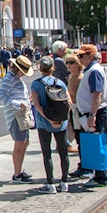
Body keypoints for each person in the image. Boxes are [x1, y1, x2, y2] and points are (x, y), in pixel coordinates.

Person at [30, 56, 70, 194]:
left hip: (44, 123)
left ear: (40, 69)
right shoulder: (60, 83)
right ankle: (64, 182)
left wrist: (49, 119)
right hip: (61, 122)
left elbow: (37, 105)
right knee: (63, 152)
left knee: (47, 153)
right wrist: (59, 119)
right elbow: (68, 102)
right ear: (53, 68)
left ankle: (50, 183)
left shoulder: (36, 84)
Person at [73, 44, 107, 187]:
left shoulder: (94, 71)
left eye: (81, 56)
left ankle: (101, 176)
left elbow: (97, 94)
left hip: (95, 112)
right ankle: (98, 173)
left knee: (98, 143)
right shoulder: (91, 70)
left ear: (90, 55)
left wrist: (92, 115)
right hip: (93, 112)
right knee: (95, 143)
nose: (79, 59)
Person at [0, 54, 34, 183]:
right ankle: (17, 173)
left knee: (24, 142)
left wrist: (26, 100)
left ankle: (19, 171)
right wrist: (18, 103)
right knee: (20, 143)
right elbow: (1, 95)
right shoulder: (10, 79)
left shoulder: (15, 78)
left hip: (21, 114)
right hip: (15, 116)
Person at [64, 52, 82, 153]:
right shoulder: (71, 77)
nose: (68, 65)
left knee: (78, 130)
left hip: (78, 107)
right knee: (70, 129)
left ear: (77, 64)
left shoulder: (81, 78)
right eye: (67, 62)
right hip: (71, 107)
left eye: (71, 63)